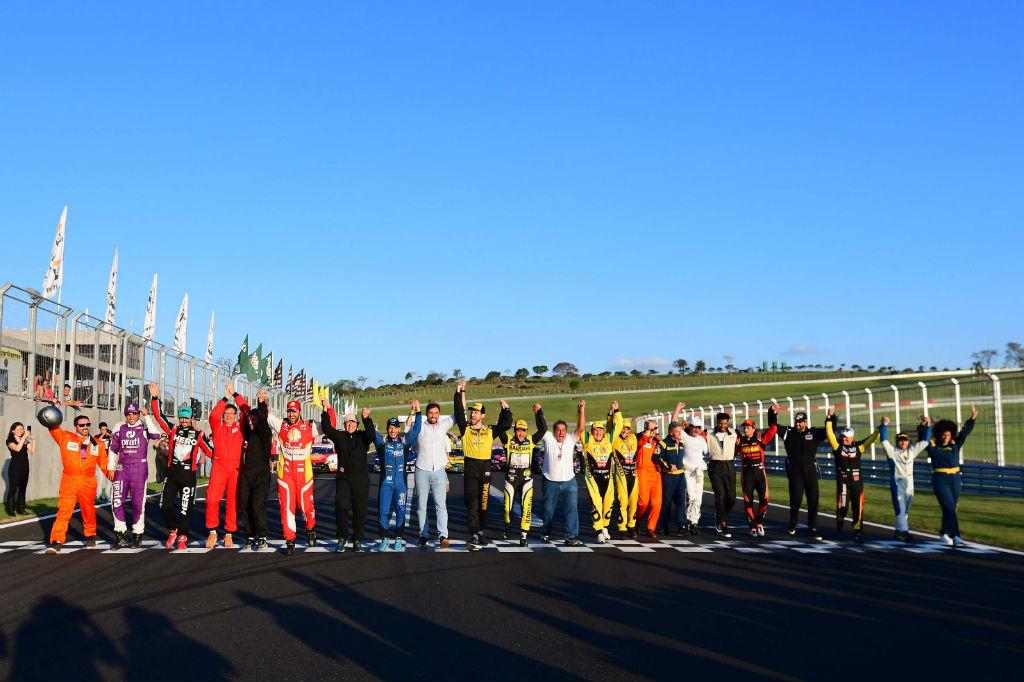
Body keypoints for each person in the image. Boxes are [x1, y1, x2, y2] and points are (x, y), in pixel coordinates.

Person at [149, 383, 213, 550]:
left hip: (188, 477)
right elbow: (159, 417)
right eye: (182, 417)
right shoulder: (173, 430)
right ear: (179, 417)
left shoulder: (199, 435)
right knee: (164, 505)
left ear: (191, 417)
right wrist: (155, 397)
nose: (184, 420)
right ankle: (173, 530)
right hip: (171, 475)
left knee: (186, 509)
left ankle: (183, 536)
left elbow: (212, 452)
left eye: (187, 417)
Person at [39, 407, 110, 553]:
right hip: (69, 480)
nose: (85, 427)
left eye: (88, 424)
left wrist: (116, 478)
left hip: (88, 481)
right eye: (82, 425)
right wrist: (54, 410)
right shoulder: (65, 437)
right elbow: (53, 426)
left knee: (88, 510)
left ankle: (90, 536)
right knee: (64, 511)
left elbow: (104, 465)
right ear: (76, 427)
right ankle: (56, 541)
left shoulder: (98, 444)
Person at [453, 380, 512, 550]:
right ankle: (473, 533)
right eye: (472, 412)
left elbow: (506, 425)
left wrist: (506, 410)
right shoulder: (465, 429)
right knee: (471, 501)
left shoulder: (490, 430)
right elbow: (458, 412)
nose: (472, 415)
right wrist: (459, 392)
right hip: (470, 466)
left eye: (476, 412)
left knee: (484, 503)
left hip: (485, 468)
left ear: (483, 415)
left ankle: (480, 532)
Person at [267, 400, 322, 555]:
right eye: (289, 411)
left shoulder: (310, 427)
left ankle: (310, 529)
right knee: (286, 508)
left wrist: (328, 409)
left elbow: (329, 424)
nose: (291, 414)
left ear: (300, 412)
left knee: (306, 508)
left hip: (304, 475)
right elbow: (266, 415)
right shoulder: (281, 426)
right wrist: (262, 401)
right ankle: (290, 540)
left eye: (294, 411)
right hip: (285, 475)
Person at [320, 404, 375, 553]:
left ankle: (357, 539)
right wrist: (325, 411)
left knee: (360, 510)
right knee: (341, 507)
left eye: (353, 422)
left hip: (361, 479)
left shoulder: (363, 437)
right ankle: (342, 538)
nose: (350, 425)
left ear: (357, 424)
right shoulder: (340, 436)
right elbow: (327, 429)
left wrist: (366, 419)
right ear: (344, 425)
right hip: (344, 478)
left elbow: (372, 435)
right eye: (347, 422)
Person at [106, 402, 162, 548]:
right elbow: (112, 449)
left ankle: (137, 534)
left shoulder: (144, 427)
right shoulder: (119, 427)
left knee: (138, 504)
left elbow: (156, 435)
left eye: (134, 414)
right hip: (121, 468)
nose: (131, 417)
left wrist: (147, 416)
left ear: (138, 414)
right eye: (128, 414)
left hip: (139, 468)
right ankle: (120, 533)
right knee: (116, 501)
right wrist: (110, 467)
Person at [770, 407, 829, 540]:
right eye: (797, 421)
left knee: (813, 501)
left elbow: (829, 431)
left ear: (806, 422)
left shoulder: (813, 432)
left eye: (801, 422)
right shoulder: (788, 432)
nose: (798, 424)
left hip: (811, 473)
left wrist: (831, 418)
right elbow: (773, 426)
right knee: (796, 500)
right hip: (795, 473)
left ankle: (813, 528)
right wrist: (772, 413)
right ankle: (793, 521)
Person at [370, 401, 422, 550]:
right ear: (387, 429)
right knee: (384, 511)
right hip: (385, 484)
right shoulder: (382, 442)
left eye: (395, 428)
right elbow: (371, 432)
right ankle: (384, 538)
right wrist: (367, 418)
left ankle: (399, 537)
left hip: (400, 485)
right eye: (390, 428)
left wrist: (418, 412)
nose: (392, 430)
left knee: (400, 511)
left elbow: (417, 429)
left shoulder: (405, 442)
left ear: (399, 429)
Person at [204, 384, 251, 549]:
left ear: (236, 416)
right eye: (227, 413)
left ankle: (229, 534)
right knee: (211, 499)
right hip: (219, 466)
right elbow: (213, 415)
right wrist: (225, 398)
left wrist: (236, 395)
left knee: (233, 501)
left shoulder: (241, 427)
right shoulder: (218, 427)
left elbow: (247, 409)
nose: (229, 416)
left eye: (232, 414)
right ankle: (212, 532)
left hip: (236, 468)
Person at [924, 406, 978, 547]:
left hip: (955, 478)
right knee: (948, 507)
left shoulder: (955, 444)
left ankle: (944, 532)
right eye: (944, 435)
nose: (946, 437)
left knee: (951, 508)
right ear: (939, 434)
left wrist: (972, 419)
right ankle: (956, 536)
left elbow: (965, 432)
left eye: (949, 435)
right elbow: (922, 439)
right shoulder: (932, 445)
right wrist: (925, 426)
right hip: (940, 479)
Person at [825, 407, 880, 543]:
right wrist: (829, 419)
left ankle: (857, 531)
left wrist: (880, 428)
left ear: (852, 438)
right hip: (843, 483)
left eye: (846, 437)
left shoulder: (859, 447)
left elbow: (872, 439)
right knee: (843, 507)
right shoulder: (837, 447)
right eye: (842, 437)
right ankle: (840, 519)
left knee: (858, 508)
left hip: (857, 483)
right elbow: (830, 434)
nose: (844, 439)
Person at [497, 403, 546, 546]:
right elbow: (500, 428)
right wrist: (504, 411)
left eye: (524, 430)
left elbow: (543, 429)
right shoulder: (508, 440)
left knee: (527, 507)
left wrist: (538, 412)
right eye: (519, 430)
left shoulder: (530, 441)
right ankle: (507, 525)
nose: (521, 433)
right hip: (510, 479)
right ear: (515, 430)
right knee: (507, 508)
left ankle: (524, 534)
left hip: (526, 480)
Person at [879, 415, 931, 542]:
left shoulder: (912, 451)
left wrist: (928, 425)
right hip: (897, 483)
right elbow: (884, 440)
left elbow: (925, 441)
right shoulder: (892, 452)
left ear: (908, 442)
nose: (903, 442)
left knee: (906, 510)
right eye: (900, 440)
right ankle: (905, 532)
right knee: (900, 509)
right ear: (897, 441)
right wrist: (884, 424)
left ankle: (898, 531)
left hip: (910, 484)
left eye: (905, 440)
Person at [539, 401, 584, 546]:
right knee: (548, 510)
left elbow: (581, 428)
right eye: (558, 430)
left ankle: (571, 536)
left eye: (563, 430)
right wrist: (538, 411)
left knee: (571, 509)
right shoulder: (549, 439)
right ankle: (546, 532)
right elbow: (541, 426)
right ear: (553, 432)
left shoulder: (570, 439)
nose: (561, 432)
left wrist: (581, 410)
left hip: (569, 482)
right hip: (550, 481)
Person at [412, 398, 455, 549]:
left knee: (440, 504)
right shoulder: (420, 427)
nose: (433, 415)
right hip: (422, 469)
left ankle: (443, 535)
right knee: (421, 506)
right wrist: (413, 410)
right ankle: (423, 535)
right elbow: (407, 430)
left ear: (439, 414)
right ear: (426, 414)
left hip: (439, 471)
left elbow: (458, 414)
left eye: (436, 413)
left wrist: (461, 393)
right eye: (431, 413)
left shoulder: (443, 426)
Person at [238, 389, 274, 550]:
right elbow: (244, 411)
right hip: (246, 473)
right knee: (244, 505)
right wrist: (234, 395)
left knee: (257, 504)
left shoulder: (264, 433)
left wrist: (261, 402)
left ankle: (263, 536)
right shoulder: (247, 433)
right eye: (250, 419)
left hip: (261, 473)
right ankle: (250, 536)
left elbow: (263, 420)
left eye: (254, 419)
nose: (251, 421)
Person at [581, 401, 618, 543]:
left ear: (603, 431)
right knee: (596, 504)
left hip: (608, 479)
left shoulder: (608, 439)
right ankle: (598, 531)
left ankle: (605, 528)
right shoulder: (588, 440)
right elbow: (581, 427)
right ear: (592, 432)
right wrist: (582, 410)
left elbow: (616, 426)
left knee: (608, 503)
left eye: (600, 430)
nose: (598, 432)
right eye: (595, 430)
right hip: (593, 479)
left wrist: (615, 410)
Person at [736, 412, 778, 537]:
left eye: (748, 427)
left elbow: (774, 429)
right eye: (744, 427)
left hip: (760, 472)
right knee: (748, 500)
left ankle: (759, 522)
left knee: (764, 499)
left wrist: (773, 413)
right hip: (746, 473)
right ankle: (752, 526)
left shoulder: (761, 438)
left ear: (754, 429)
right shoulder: (739, 441)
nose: (746, 429)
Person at [652, 411, 690, 537]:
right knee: (666, 502)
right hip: (668, 477)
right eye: (678, 432)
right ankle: (664, 527)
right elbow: (656, 457)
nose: (680, 434)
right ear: (671, 432)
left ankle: (682, 526)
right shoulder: (663, 443)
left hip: (680, 477)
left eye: (680, 431)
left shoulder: (681, 442)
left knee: (681, 502)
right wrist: (668, 466)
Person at [706, 412, 737, 537]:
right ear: (717, 422)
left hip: (729, 466)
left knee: (731, 498)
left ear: (728, 422)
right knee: (720, 496)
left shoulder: (734, 433)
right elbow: (693, 434)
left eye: (725, 423)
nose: (723, 425)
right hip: (715, 466)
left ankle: (720, 514)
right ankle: (723, 524)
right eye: (720, 423)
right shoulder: (708, 433)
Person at [609, 409, 639, 538]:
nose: (624, 431)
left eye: (627, 428)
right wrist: (612, 414)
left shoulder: (633, 438)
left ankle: (631, 526)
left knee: (634, 501)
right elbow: (610, 429)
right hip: (621, 475)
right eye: (622, 428)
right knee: (623, 501)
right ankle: (622, 528)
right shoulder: (614, 439)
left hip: (634, 474)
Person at [635, 418, 664, 538]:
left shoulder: (658, 441)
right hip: (642, 472)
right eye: (651, 428)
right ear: (646, 428)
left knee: (657, 503)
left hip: (656, 473)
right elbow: (640, 444)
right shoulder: (639, 437)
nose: (654, 431)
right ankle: (636, 521)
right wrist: (647, 433)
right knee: (643, 503)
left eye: (655, 428)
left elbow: (665, 451)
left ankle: (651, 528)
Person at [5, 422, 35, 515]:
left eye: (22, 429)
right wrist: (23, 438)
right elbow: (17, 449)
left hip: (25, 467)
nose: (21, 431)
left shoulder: (24, 439)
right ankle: (10, 510)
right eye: (18, 429)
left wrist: (33, 440)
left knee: (23, 488)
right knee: (13, 489)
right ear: (13, 430)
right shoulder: (9, 440)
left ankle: (21, 509)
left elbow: (33, 451)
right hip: (15, 467)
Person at [95, 421, 112, 503]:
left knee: (109, 479)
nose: (104, 430)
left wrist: (110, 436)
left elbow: (116, 440)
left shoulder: (110, 435)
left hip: (109, 460)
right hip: (100, 461)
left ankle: (108, 496)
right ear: (100, 429)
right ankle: (98, 496)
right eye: (102, 429)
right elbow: (96, 443)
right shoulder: (97, 436)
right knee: (100, 479)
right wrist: (102, 435)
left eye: (105, 429)